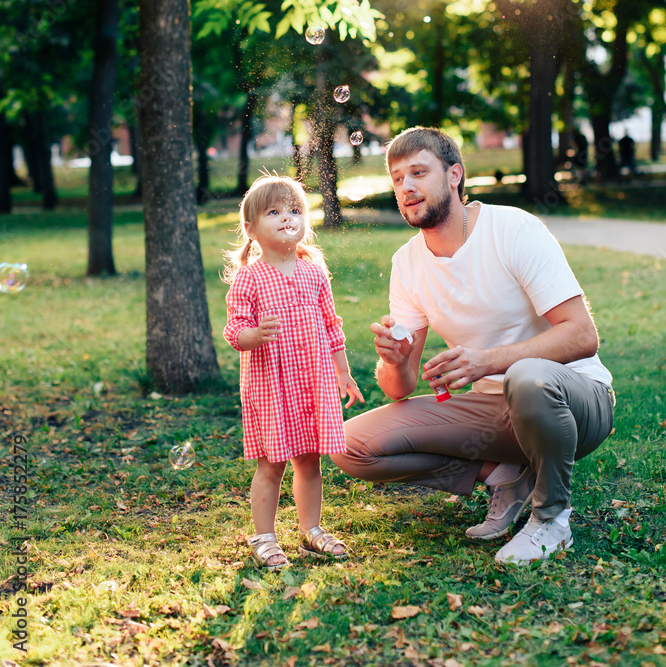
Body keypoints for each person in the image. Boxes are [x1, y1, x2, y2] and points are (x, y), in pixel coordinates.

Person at [332, 128, 614, 565]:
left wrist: (486, 361)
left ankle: (552, 519)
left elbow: (581, 334)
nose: (406, 186)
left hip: (575, 401)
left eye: (419, 173)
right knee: (348, 444)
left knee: (527, 376)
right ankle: (505, 476)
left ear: (454, 175)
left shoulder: (513, 228)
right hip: (496, 415)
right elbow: (399, 388)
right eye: (397, 178)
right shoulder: (408, 262)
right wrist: (393, 360)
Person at [223, 174, 364, 571]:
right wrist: (253, 334)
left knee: (309, 460)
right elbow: (234, 330)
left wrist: (344, 373)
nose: (287, 217)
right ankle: (264, 536)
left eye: (295, 210)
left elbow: (331, 326)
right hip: (272, 385)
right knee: (271, 463)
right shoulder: (250, 277)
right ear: (251, 229)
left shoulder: (313, 271)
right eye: (274, 212)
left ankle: (311, 530)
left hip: (312, 380)